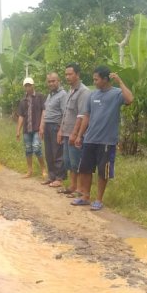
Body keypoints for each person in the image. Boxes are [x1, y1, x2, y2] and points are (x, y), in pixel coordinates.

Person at [72, 66, 134, 211]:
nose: (94, 82)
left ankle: (99, 200)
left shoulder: (117, 94)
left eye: (96, 79)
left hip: (107, 141)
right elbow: (86, 116)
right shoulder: (92, 95)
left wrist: (120, 82)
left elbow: (130, 99)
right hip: (90, 139)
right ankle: (85, 196)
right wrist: (80, 135)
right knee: (86, 169)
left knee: (102, 172)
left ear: (106, 79)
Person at [57, 63, 91, 197]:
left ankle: (80, 189)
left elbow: (81, 115)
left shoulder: (84, 91)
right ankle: (72, 186)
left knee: (77, 162)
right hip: (66, 132)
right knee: (68, 161)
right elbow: (66, 113)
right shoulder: (70, 91)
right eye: (66, 74)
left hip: (74, 134)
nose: (67, 77)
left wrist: (75, 134)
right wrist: (60, 131)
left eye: (70, 74)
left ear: (77, 74)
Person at [39, 72, 68, 187]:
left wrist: (61, 130)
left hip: (56, 126)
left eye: (53, 81)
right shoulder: (50, 95)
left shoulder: (63, 95)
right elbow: (45, 111)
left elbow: (65, 113)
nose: (51, 83)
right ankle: (51, 176)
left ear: (58, 81)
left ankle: (59, 178)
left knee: (58, 153)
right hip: (47, 126)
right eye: (49, 81)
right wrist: (41, 126)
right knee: (49, 153)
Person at [16, 76, 46, 180]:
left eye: (29, 85)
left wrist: (42, 126)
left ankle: (43, 169)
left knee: (37, 148)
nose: (27, 87)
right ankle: (29, 170)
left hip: (37, 128)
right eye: (26, 86)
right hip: (26, 130)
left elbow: (44, 111)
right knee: (28, 150)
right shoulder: (23, 101)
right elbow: (21, 116)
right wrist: (18, 131)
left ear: (33, 85)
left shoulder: (40, 97)